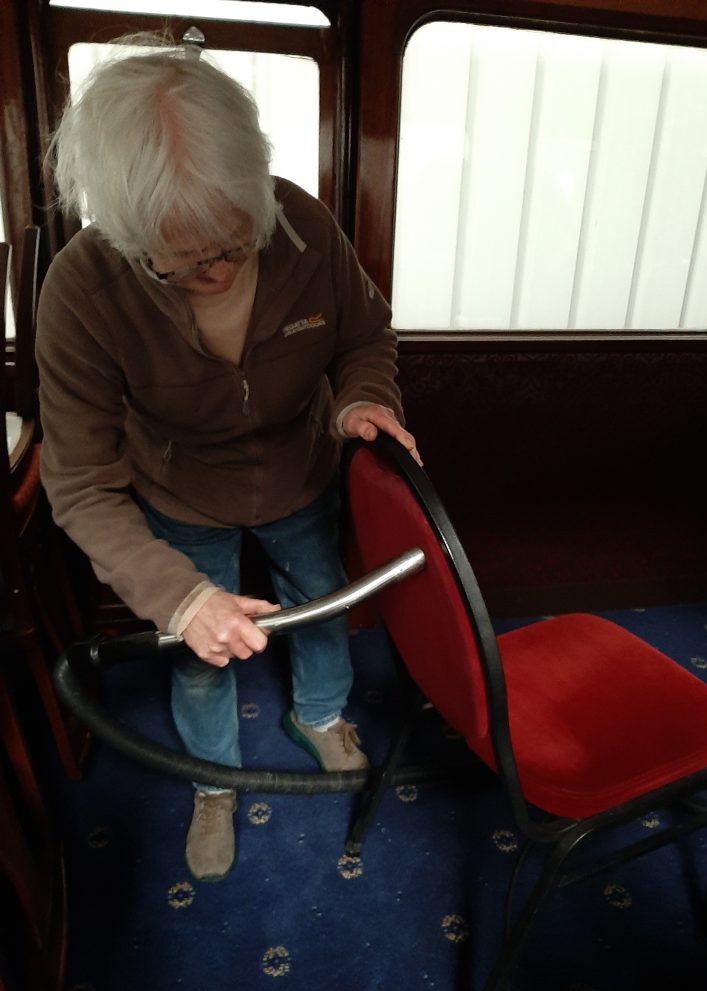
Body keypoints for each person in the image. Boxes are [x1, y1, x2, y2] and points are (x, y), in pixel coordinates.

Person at [36, 40, 420, 883]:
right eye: (180, 261)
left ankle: (320, 717)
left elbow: (365, 336)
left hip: (300, 467)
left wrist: (364, 399)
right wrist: (182, 597)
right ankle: (212, 776)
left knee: (319, 605)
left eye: (231, 243)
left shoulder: (301, 221)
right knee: (198, 650)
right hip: (178, 493)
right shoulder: (80, 289)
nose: (213, 271)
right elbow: (79, 481)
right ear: (128, 231)